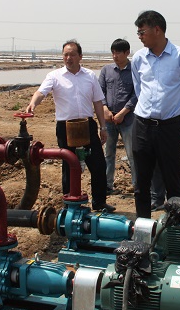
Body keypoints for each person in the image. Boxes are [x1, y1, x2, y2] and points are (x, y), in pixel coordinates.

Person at [25, 39, 115, 212]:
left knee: (98, 164)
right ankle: (70, 205)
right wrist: (33, 104)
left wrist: (103, 127)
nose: (68, 58)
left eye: (72, 54)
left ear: (80, 56)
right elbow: (41, 92)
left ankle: (99, 202)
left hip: (87, 125)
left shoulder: (89, 76)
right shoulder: (55, 76)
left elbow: (98, 102)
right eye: (65, 55)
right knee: (69, 166)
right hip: (65, 127)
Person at [131, 10, 180, 218]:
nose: (140, 36)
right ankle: (143, 226)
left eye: (142, 32)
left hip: (170, 128)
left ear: (157, 30)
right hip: (142, 126)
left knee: (173, 181)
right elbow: (139, 89)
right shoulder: (139, 58)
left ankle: (175, 227)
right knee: (141, 182)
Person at [99, 38, 137, 195]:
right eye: (113, 53)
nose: (115, 56)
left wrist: (123, 112)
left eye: (118, 53)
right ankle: (107, 185)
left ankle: (138, 186)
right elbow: (99, 92)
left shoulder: (135, 71)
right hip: (109, 120)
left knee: (132, 154)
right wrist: (105, 109)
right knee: (108, 153)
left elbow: (137, 94)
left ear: (127, 53)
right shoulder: (106, 70)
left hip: (128, 119)